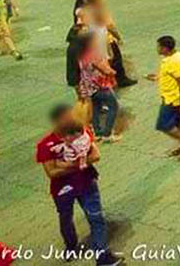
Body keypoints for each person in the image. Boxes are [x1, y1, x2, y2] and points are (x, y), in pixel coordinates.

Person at [36, 103, 123, 265]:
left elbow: (95, 155)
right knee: (66, 219)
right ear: (58, 121)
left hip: (87, 183)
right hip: (62, 190)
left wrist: (69, 165)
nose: (72, 118)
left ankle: (102, 256)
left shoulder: (82, 132)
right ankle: (70, 246)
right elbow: (52, 173)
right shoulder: (45, 145)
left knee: (96, 218)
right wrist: (78, 165)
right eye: (68, 116)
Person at [147, 35, 180, 156]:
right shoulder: (177, 56)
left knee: (163, 125)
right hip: (175, 97)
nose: (157, 49)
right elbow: (173, 77)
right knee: (179, 123)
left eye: (159, 47)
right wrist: (158, 77)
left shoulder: (173, 62)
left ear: (166, 48)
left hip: (172, 99)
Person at [76, 29, 120, 143]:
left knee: (96, 108)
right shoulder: (93, 55)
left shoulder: (81, 55)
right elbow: (106, 70)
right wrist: (113, 71)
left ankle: (98, 132)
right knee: (113, 106)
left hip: (89, 87)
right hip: (100, 85)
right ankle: (107, 133)